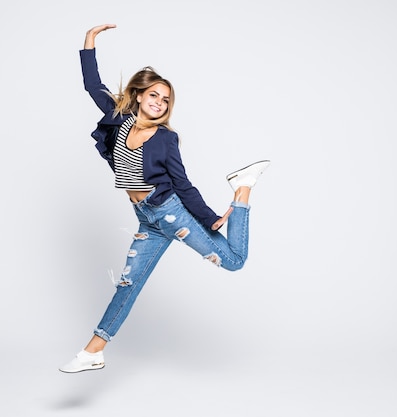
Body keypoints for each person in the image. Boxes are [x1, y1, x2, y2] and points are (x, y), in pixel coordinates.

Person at [59, 23, 270, 373]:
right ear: (139, 96)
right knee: (128, 285)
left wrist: (207, 217)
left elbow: (182, 183)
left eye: (166, 99)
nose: (160, 103)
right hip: (146, 219)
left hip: (173, 215)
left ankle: (243, 190)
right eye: (154, 95)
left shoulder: (165, 139)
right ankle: (92, 351)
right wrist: (89, 42)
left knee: (233, 261)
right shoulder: (119, 119)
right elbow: (91, 85)